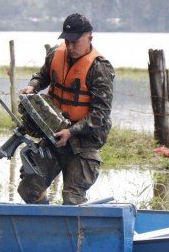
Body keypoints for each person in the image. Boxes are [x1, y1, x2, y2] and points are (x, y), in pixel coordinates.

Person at [17, 13, 115, 205]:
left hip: (83, 142)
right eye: (67, 41)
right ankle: (44, 223)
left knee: (72, 201)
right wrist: (33, 86)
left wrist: (71, 132)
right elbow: (42, 75)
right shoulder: (55, 54)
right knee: (29, 189)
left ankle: (73, 228)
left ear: (89, 38)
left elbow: (100, 115)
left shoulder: (100, 68)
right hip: (54, 135)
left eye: (75, 41)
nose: (70, 47)